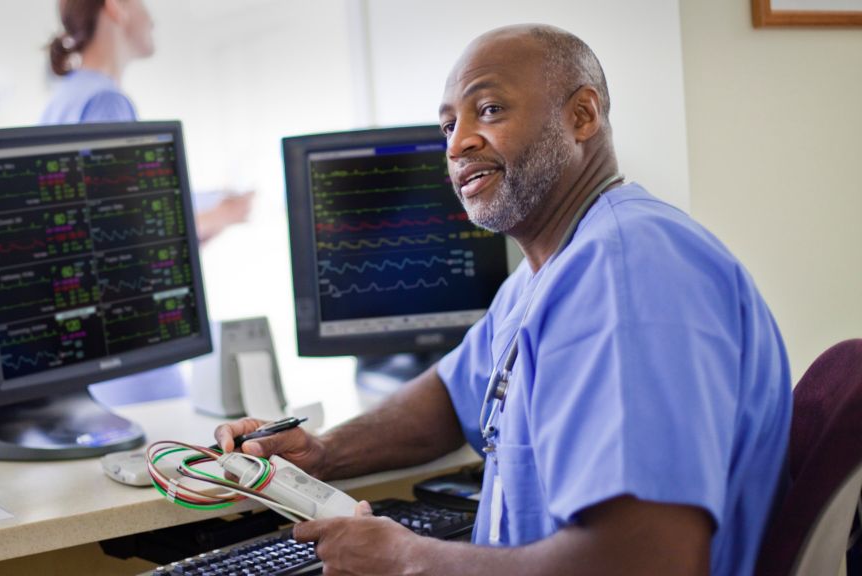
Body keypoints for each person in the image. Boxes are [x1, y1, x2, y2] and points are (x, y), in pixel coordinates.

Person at [215, 24, 792, 576]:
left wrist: (410, 560)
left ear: (582, 115)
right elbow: (451, 395)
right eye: (447, 126)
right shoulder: (544, 273)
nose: (458, 142)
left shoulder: (629, 270)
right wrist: (324, 453)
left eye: (488, 110)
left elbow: (648, 562)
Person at [41, 0, 252, 244]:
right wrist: (223, 215)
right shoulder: (107, 101)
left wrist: (214, 209)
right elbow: (126, 230)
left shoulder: (66, 96)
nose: (152, 18)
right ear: (115, 7)